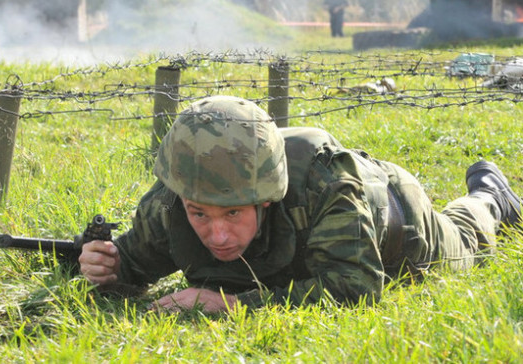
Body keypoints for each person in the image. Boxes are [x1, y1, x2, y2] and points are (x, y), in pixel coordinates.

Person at [79, 95, 522, 313]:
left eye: (233, 213)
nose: (216, 235)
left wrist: (232, 305)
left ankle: (489, 194)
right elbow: (134, 262)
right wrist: (110, 267)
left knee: (469, 236)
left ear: (267, 200)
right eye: (200, 214)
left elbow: (356, 288)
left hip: (398, 222)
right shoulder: (174, 198)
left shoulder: (325, 189)